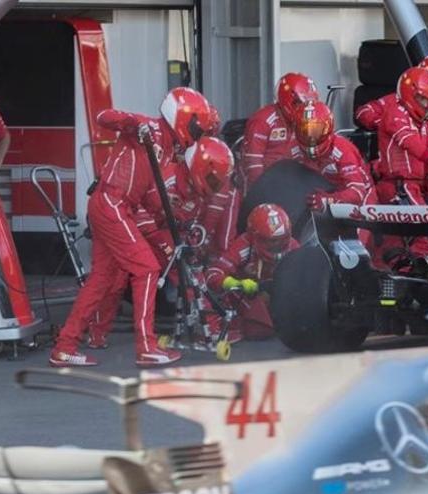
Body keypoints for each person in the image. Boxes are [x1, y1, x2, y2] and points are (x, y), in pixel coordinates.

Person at [50, 87, 220, 368]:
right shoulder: (149, 127)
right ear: (182, 117)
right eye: (196, 125)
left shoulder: (165, 147)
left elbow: (148, 192)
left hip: (115, 206)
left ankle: (65, 347)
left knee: (100, 280)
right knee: (147, 268)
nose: (197, 133)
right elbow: (104, 117)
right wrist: (131, 123)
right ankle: (147, 347)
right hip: (112, 203)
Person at [207, 203, 300, 339]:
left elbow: (307, 278)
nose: (276, 246)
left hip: (279, 293)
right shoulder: (243, 246)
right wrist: (237, 284)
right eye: (270, 241)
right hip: (247, 294)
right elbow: (212, 274)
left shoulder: (293, 247)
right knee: (260, 329)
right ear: (253, 236)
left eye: (281, 240)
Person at [373, 65, 428, 207]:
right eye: (424, 99)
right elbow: (408, 140)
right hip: (399, 189)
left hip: (418, 187)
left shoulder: (421, 124)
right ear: (410, 93)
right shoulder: (394, 112)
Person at [241, 73, 319, 188]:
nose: (305, 109)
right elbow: (253, 164)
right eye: (300, 104)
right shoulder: (262, 121)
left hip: (292, 184)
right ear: (287, 99)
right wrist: (264, 190)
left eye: (309, 104)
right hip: (264, 188)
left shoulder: (309, 122)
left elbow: (312, 160)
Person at [298, 102, 376, 211]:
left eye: (315, 130)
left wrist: (328, 200)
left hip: (363, 199)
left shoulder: (342, 149)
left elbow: (357, 193)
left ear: (328, 127)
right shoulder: (296, 149)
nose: (310, 137)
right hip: (327, 195)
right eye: (305, 131)